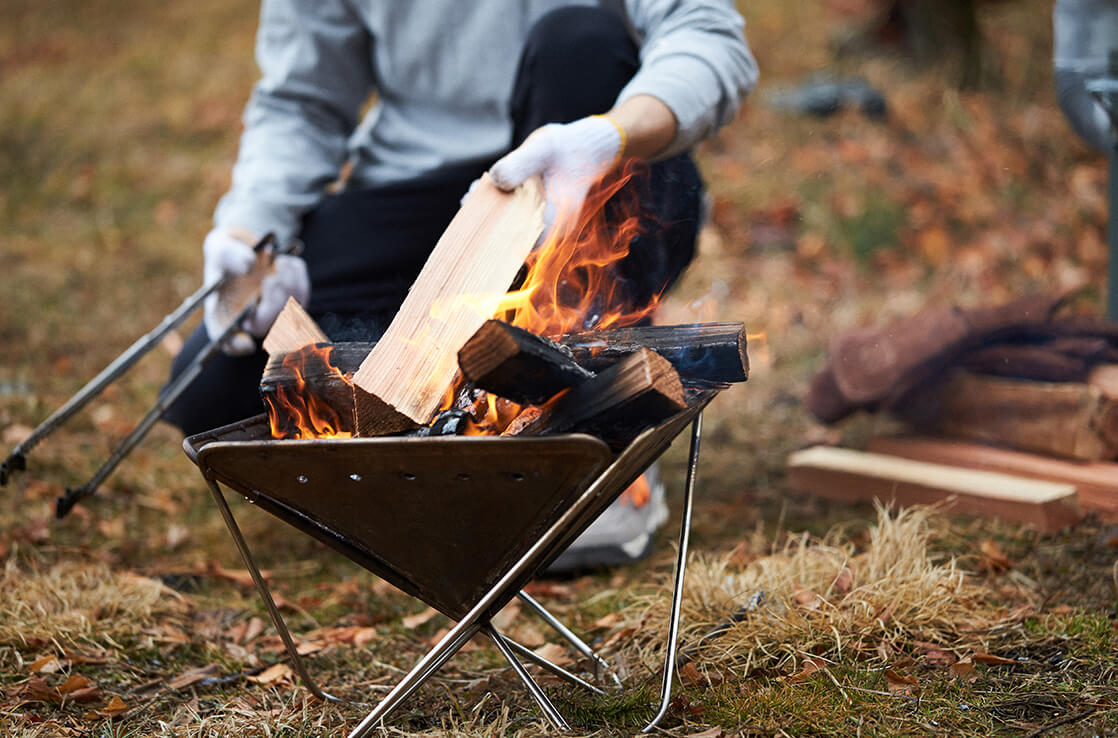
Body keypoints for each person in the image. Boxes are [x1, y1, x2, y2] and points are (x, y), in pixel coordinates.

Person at [164, 0, 757, 569]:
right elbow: (301, 100)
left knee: (580, 42)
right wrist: (252, 230)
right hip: (420, 189)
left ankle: (599, 436)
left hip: (592, 157)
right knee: (216, 393)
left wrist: (609, 137)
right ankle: (452, 422)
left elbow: (705, 36)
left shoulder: (604, 138)